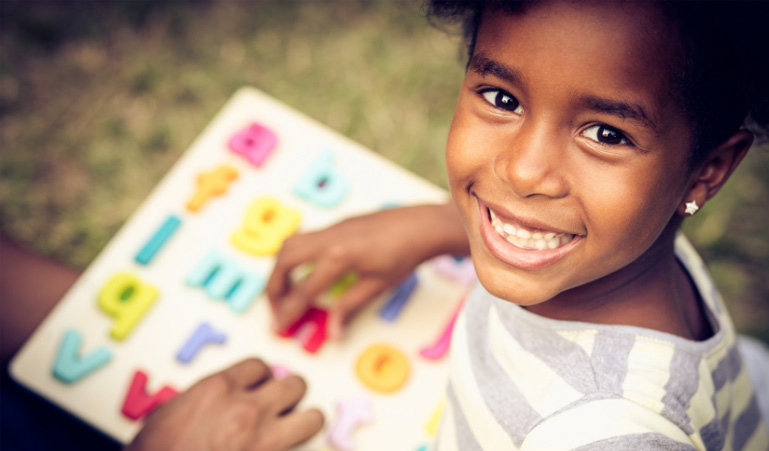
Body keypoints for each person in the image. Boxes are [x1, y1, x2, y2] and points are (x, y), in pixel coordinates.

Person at [266, 0, 769, 449]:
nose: (523, 171)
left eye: (606, 134)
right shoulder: (635, 245)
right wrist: (441, 224)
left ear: (706, 172)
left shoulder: (607, 433)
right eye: (502, 99)